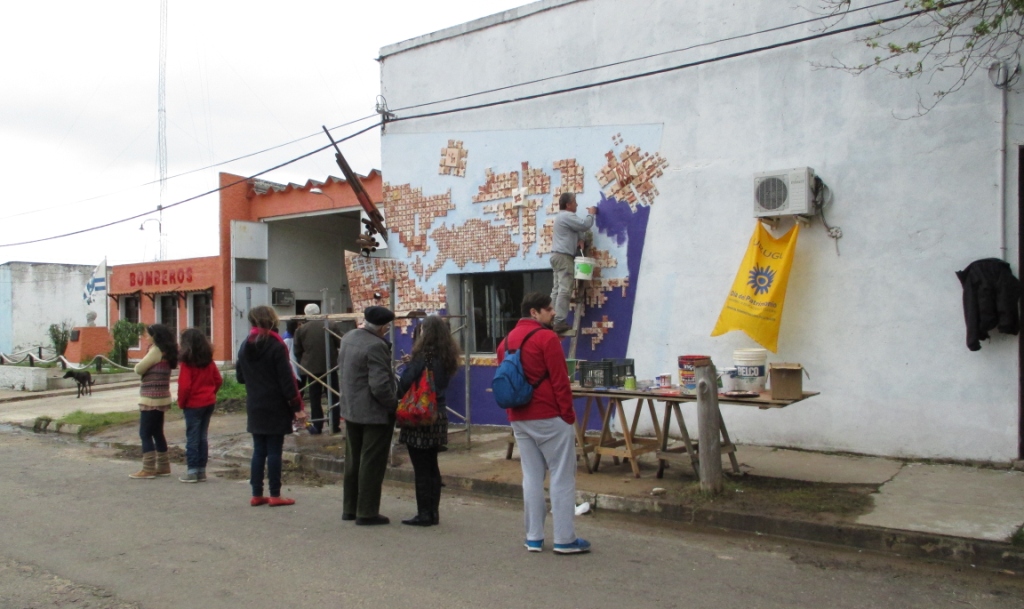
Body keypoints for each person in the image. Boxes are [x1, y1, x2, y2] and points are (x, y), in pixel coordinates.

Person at [497, 292, 590, 554]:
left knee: (531, 477)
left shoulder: (505, 342)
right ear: (534, 312)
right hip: (549, 415)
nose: (553, 313)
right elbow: (560, 380)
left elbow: (506, 379)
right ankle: (564, 539)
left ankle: (534, 537)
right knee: (562, 476)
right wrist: (568, 415)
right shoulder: (547, 338)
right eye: (548, 309)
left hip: (519, 417)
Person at [236, 305, 305, 507]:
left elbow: (240, 377)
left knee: (259, 450)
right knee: (274, 450)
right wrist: (297, 407)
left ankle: (256, 493)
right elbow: (287, 380)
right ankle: (275, 494)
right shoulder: (276, 345)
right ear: (272, 320)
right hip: (276, 404)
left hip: (255, 404)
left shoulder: (245, 345)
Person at [396, 316, 460, 526]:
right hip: (438, 413)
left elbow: (405, 383)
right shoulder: (447, 356)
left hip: (421, 413)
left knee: (421, 467)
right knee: (432, 465)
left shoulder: (423, 356)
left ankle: (424, 514)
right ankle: (433, 513)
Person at [337, 305, 398, 525]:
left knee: (353, 460)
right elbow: (380, 385)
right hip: (373, 412)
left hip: (351, 408)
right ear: (383, 327)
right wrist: (393, 405)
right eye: (387, 327)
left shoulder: (349, 337)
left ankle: (350, 508)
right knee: (371, 462)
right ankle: (367, 512)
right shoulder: (376, 345)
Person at [129, 323, 179, 480]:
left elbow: (139, 368)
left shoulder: (156, 350)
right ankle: (163, 466)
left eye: (148, 334)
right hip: (162, 396)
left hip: (151, 397)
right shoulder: (167, 351)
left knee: (145, 433)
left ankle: (148, 468)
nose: (146, 337)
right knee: (157, 432)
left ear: (155, 336)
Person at [176, 328, 223, 483]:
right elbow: (218, 380)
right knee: (202, 437)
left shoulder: (187, 364)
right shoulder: (209, 361)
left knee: (192, 437)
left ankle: (192, 470)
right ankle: (201, 470)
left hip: (193, 404)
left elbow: (184, 387)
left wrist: (181, 403)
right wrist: (211, 393)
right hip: (208, 402)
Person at [550, 192, 597, 334]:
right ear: (568, 205)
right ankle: (559, 321)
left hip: (556, 256)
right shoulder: (567, 215)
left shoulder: (562, 217)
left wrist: (580, 238)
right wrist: (591, 214)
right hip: (564, 257)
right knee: (565, 289)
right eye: (574, 202)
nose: (577, 204)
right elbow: (584, 225)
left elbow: (576, 229)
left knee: (557, 289)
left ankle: (551, 319)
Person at [294, 303, 342, 433]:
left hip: (311, 369)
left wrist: (304, 361)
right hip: (330, 366)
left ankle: (317, 425)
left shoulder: (301, 330)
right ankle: (334, 425)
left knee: (315, 398)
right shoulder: (330, 325)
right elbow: (340, 342)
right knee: (333, 396)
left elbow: (297, 350)